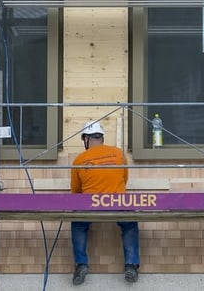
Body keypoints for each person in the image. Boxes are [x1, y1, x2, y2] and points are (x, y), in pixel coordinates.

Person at [70, 120, 140, 285]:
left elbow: (75, 191)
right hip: (118, 201)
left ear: (86, 139)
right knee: (129, 224)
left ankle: (81, 264)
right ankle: (131, 265)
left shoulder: (80, 159)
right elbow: (124, 179)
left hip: (90, 204)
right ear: (101, 137)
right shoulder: (118, 153)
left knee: (78, 224)